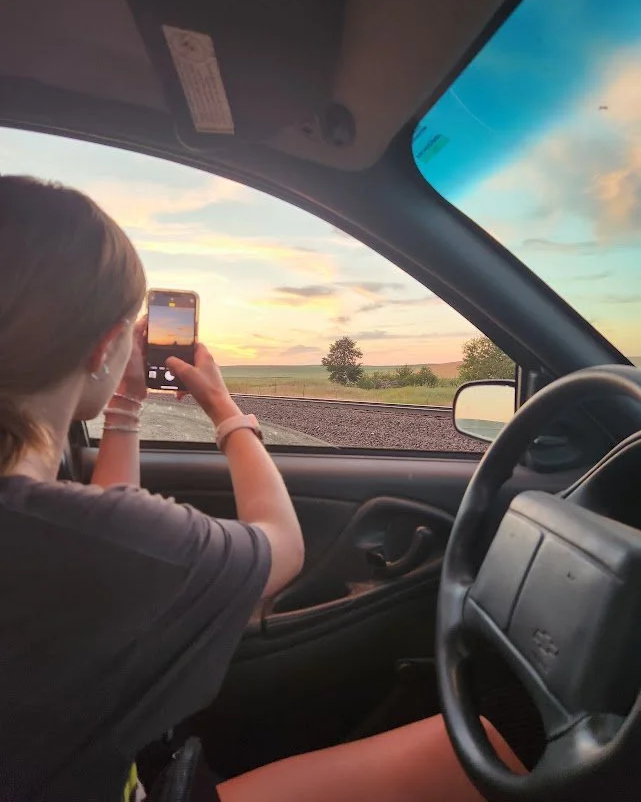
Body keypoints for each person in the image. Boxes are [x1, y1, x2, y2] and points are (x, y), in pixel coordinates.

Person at [0, 175, 522, 802]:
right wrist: (224, 409)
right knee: (481, 750)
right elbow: (281, 544)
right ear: (109, 345)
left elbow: (107, 521)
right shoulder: (82, 538)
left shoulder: (68, 531)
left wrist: (126, 408)